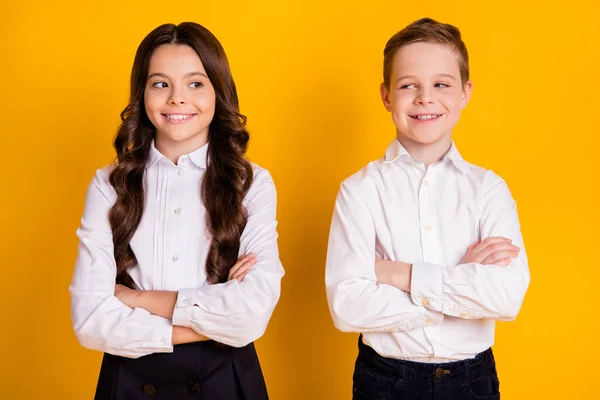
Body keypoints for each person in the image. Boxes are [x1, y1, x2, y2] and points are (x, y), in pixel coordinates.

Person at [69, 22, 284, 399]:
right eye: (160, 83)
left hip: (226, 378)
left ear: (219, 90)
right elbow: (89, 319)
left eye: (196, 83)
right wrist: (217, 319)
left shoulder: (252, 182)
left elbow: (252, 313)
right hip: (132, 379)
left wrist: (136, 299)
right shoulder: (109, 183)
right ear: (142, 93)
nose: (177, 99)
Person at [325, 17, 530, 400]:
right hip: (385, 380)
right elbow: (348, 306)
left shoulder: (489, 190)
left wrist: (393, 274)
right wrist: (459, 288)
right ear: (387, 96)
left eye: (441, 84)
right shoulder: (359, 191)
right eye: (408, 86)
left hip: (472, 380)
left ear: (465, 93)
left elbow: (506, 297)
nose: (425, 98)